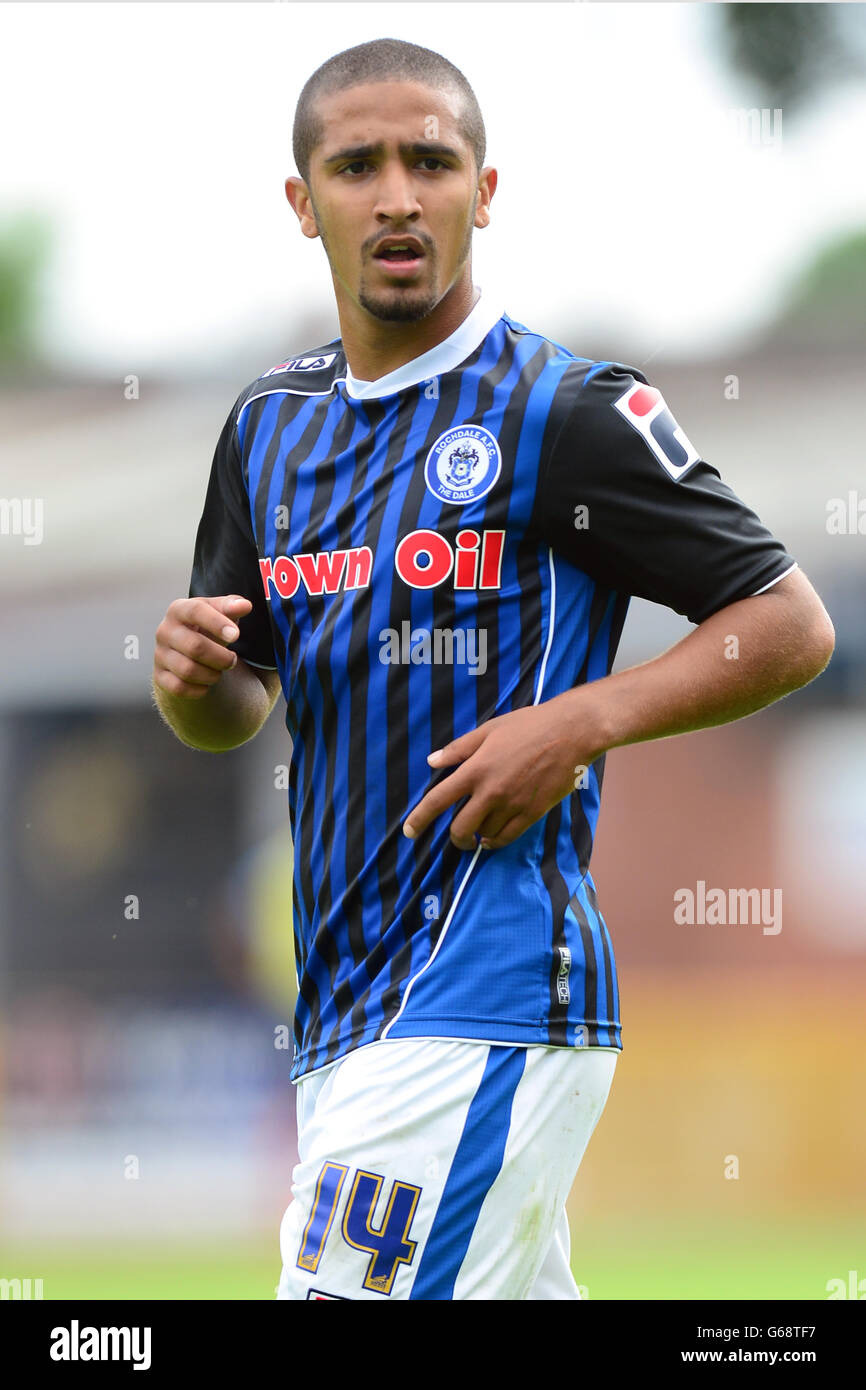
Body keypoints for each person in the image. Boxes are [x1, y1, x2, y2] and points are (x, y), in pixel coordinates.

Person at [151, 38, 835, 1301]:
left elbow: (784, 623)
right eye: (357, 165)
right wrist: (195, 686)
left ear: (486, 188)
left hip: (484, 979)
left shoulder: (563, 410)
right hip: (344, 1006)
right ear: (303, 205)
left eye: (432, 160)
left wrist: (577, 721)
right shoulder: (265, 429)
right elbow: (236, 705)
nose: (398, 194)